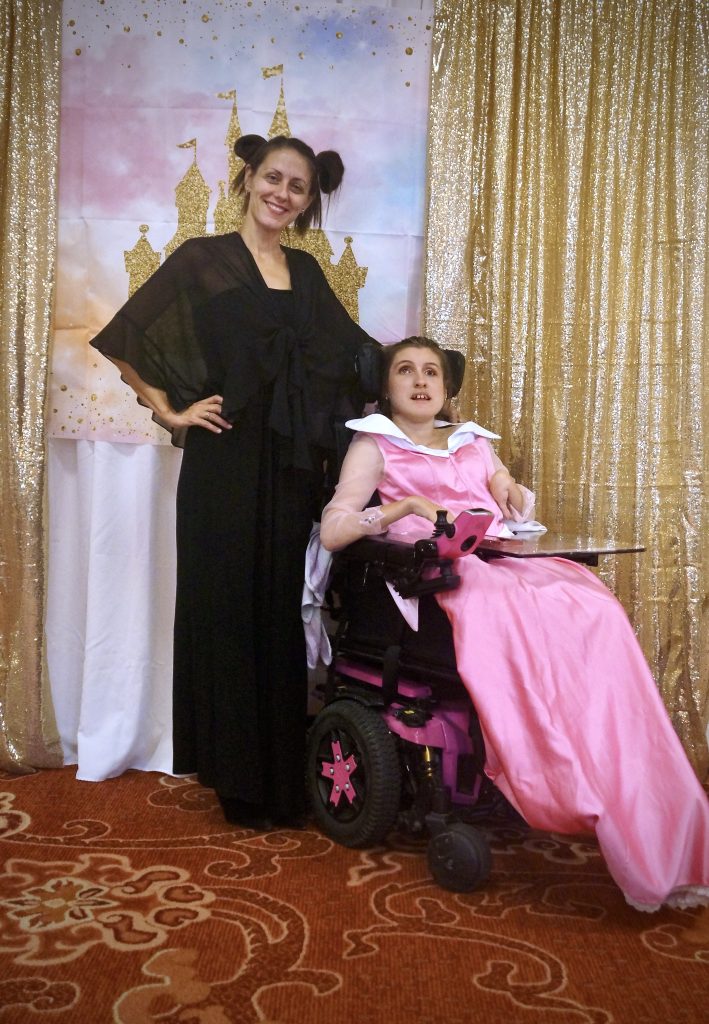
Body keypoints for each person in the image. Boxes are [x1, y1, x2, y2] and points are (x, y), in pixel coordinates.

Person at [319, 335, 709, 913]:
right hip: (430, 579)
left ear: (447, 388)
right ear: (386, 386)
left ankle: (619, 766)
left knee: (590, 599)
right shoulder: (375, 444)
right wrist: (404, 508)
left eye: (432, 372)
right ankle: (555, 774)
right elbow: (334, 530)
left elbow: (506, 499)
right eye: (406, 371)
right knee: (502, 605)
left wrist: (513, 493)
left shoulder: (473, 443)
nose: (421, 381)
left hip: (496, 558)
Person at [90, 133, 376, 829]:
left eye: (297, 187)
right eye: (272, 178)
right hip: (222, 460)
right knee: (222, 609)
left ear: (309, 200)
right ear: (247, 179)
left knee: (276, 611)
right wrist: (170, 409)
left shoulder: (307, 275)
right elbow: (130, 338)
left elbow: (353, 357)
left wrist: (420, 389)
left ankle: (279, 774)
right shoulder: (203, 259)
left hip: (285, 468)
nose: (282, 193)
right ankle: (233, 778)